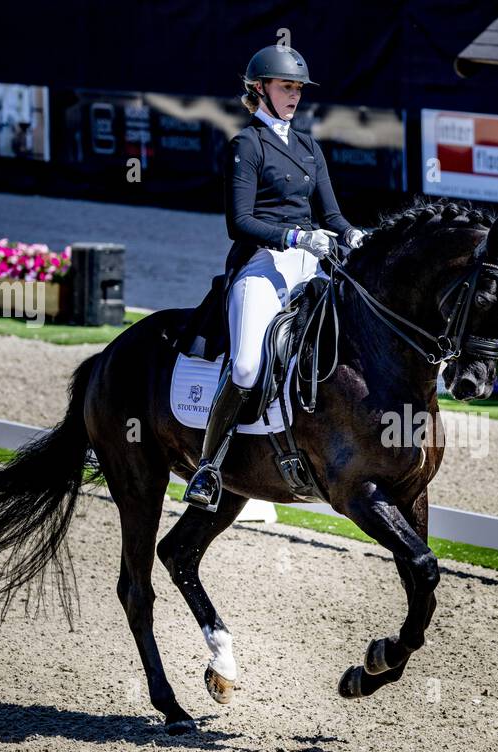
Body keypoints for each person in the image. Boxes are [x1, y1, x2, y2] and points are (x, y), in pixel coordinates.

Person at [183, 45, 365, 511]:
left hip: (310, 267)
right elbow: (238, 222)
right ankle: (208, 466)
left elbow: (332, 214)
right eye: (287, 87)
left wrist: (354, 235)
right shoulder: (247, 145)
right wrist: (295, 237)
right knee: (245, 366)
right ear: (259, 88)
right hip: (261, 264)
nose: (294, 96)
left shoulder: (308, 147)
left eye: (299, 89)